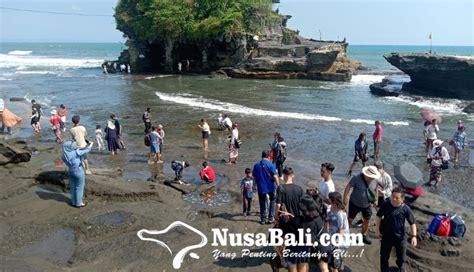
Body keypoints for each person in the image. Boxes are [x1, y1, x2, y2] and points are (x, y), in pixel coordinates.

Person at [278, 194, 328, 272]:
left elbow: (286, 236)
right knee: (303, 268)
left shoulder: (296, 221)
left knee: (293, 268)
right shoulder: (318, 220)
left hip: (293, 248)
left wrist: (281, 251)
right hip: (306, 248)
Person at [376, 187, 417, 272]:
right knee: (384, 257)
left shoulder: (406, 208)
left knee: (401, 258)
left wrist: (414, 236)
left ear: (402, 199)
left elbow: (412, 223)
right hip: (386, 236)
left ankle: (400, 268)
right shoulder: (386, 204)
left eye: (397, 198)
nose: (394, 199)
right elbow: (378, 216)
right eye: (392, 196)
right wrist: (377, 230)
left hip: (400, 238)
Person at [343, 165, 381, 245]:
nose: (372, 179)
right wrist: (345, 198)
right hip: (354, 203)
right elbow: (348, 186)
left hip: (367, 204)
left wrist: (376, 199)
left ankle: (363, 236)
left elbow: (376, 189)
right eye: (370, 177)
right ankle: (345, 235)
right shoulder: (356, 178)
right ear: (366, 174)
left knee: (367, 220)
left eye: (373, 177)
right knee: (349, 220)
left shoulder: (375, 180)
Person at [62, 140, 93, 208]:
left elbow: (66, 160)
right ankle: (79, 203)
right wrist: (90, 144)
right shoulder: (76, 152)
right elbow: (87, 150)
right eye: (73, 145)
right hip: (79, 171)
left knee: (72, 187)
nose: (75, 146)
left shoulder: (64, 155)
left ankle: (73, 202)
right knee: (79, 187)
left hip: (71, 171)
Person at [252, 150, 279, 225]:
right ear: (269, 156)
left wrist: (254, 186)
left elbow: (254, 178)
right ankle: (270, 218)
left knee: (262, 203)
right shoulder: (271, 165)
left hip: (261, 187)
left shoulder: (256, 165)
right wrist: (279, 186)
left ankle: (263, 219)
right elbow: (275, 177)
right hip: (270, 187)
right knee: (273, 200)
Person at [276, 166, 304, 233]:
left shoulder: (281, 188)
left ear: (284, 175)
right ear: (293, 175)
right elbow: (303, 205)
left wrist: (276, 217)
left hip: (285, 218)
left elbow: (278, 205)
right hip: (296, 218)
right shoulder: (299, 188)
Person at [327, 192, 350, 272]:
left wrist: (337, 243)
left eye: (329, 198)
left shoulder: (340, 214)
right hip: (333, 236)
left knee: (335, 263)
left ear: (333, 201)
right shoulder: (331, 208)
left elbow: (341, 230)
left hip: (340, 240)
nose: (328, 199)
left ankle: (337, 267)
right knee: (333, 260)